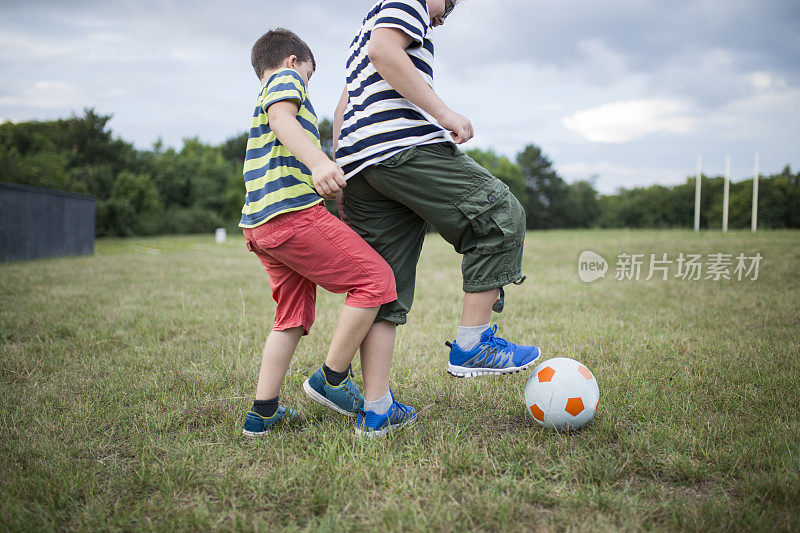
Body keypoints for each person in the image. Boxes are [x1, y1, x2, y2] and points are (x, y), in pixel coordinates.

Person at [333, 0, 541, 378]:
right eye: (448, 4)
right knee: (500, 216)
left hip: (362, 165)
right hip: (401, 148)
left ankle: (376, 407)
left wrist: (342, 167)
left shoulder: (366, 25)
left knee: (385, 286)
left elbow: (344, 104)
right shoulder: (406, 1)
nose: (443, 17)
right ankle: (473, 345)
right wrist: (444, 114)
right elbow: (384, 51)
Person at [239, 28, 416, 437]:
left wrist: (328, 188)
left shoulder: (265, 98)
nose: (306, 84)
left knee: (291, 318)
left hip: (261, 226)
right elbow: (283, 118)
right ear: (292, 62)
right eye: (309, 75)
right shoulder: (284, 80)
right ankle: (332, 378)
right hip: (291, 216)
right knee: (376, 280)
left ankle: (262, 412)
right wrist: (321, 162)